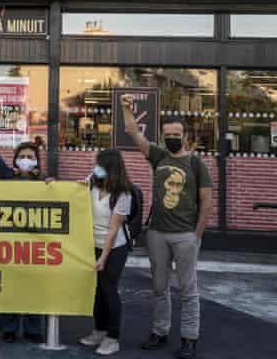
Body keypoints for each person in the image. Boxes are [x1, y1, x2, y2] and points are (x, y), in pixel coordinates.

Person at [121, 94, 213, 359]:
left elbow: (206, 203)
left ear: (185, 135)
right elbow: (133, 133)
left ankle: (189, 338)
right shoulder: (159, 156)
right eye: (167, 133)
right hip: (157, 234)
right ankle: (160, 331)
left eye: (176, 133)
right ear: (163, 136)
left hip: (185, 235)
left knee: (188, 289)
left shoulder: (197, 164)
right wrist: (126, 108)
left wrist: (197, 236)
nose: (172, 137)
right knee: (159, 288)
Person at [0, 129, 52, 344]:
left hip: (35, 243)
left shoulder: (43, 182)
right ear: (15, 160)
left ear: (37, 161)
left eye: (30, 157)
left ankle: (33, 328)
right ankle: (9, 328)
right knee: (10, 286)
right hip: (10, 242)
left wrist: (54, 187)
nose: (26, 160)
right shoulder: (7, 176)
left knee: (34, 287)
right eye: (22, 156)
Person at [77, 149, 133, 356]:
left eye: (98, 164)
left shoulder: (123, 194)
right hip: (93, 243)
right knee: (96, 290)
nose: (95, 167)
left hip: (115, 247)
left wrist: (103, 257)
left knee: (109, 290)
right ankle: (99, 331)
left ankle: (112, 337)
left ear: (110, 168)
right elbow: (75, 189)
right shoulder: (93, 182)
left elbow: (113, 230)